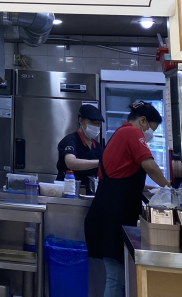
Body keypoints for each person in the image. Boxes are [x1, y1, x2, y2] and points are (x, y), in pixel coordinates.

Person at [85, 101, 170, 297]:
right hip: (113, 214)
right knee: (116, 277)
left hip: (109, 211)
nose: (150, 134)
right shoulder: (132, 132)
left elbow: (123, 176)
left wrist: (155, 189)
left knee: (117, 276)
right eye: (152, 129)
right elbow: (150, 166)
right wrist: (170, 189)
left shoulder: (120, 133)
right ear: (142, 121)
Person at [56, 103, 105, 192]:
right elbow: (71, 162)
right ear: (81, 120)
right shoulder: (70, 140)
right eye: (92, 123)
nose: (96, 126)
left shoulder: (97, 146)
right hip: (68, 191)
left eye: (98, 124)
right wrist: (99, 163)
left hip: (89, 192)